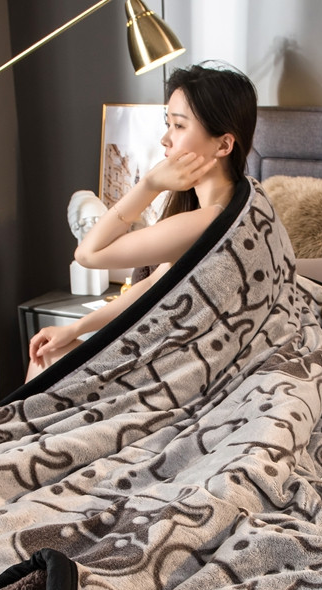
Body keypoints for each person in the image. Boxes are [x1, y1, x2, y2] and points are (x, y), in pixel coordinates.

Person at [25, 62, 258, 382]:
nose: (165, 139)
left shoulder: (208, 221)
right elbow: (151, 285)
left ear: (223, 145)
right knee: (53, 352)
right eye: (168, 124)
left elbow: (87, 254)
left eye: (179, 126)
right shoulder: (241, 202)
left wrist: (150, 184)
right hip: (200, 360)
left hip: (195, 374)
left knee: (47, 359)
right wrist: (76, 327)